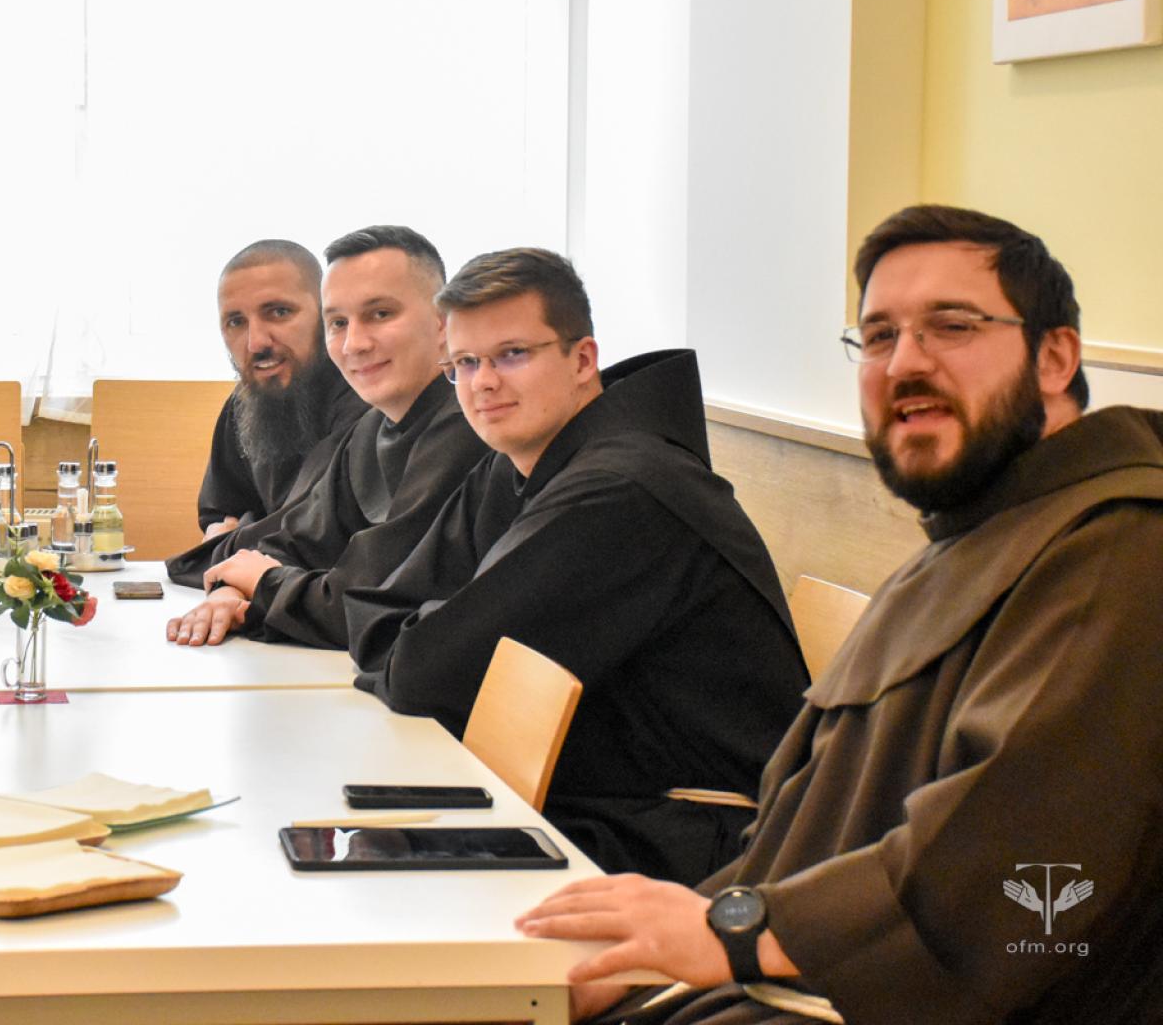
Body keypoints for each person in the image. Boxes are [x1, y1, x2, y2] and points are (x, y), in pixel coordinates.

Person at [518, 206, 1163, 1024]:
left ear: (1055, 356)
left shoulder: (1120, 549)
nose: (906, 362)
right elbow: (799, 844)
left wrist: (734, 932)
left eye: (953, 326)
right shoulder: (974, 537)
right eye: (880, 335)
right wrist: (651, 945)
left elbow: (1011, 875)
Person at [345, 248, 806, 883]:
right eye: (465, 363)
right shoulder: (519, 461)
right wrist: (433, 628)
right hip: (602, 803)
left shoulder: (619, 490)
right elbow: (376, 609)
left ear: (584, 360)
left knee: (372, 876)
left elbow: (422, 674)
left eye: (512, 354)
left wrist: (431, 629)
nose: (483, 383)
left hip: (691, 842)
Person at [165, 226, 488, 649]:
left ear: (443, 322)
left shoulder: (468, 424)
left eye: (380, 314)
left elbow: (366, 601)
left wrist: (261, 584)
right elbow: (295, 541)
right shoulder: (373, 430)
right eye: (338, 323)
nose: (354, 343)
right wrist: (231, 591)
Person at [196, 239, 367, 539]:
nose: (256, 342)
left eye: (278, 312)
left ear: (325, 315)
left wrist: (235, 540)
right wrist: (223, 535)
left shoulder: (364, 396)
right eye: (236, 322)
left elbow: (314, 528)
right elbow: (220, 515)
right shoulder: (245, 404)